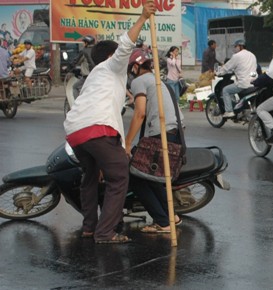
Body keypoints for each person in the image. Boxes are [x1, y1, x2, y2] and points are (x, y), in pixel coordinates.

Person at [63, 2, 157, 244]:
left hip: (75, 132)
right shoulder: (111, 65)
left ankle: (89, 227)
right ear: (110, 56)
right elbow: (126, 43)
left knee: (90, 177)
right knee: (119, 177)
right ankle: (105, 233)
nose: (124, 58)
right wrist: (143, 17)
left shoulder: (97, 75)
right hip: (96, 129)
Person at [125, 50, 183, 233]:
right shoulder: (157, 79)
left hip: (160, 132)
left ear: (135, 67)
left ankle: (162, 222)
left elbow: (140, 112)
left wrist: (127, 143)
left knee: (136, 175)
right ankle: (171, 216)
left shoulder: (138, 81)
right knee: (153, 177)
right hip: (174, 130)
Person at [217, 39, 257, 118]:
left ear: (240, 46)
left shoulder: (237, 56)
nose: (235, 48)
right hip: (253, 82)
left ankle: (229, 111)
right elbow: (250, 68)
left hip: (243, 83)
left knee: (226, 90)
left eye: (236, 46)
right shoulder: (252, 55)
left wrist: (218, 73)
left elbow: (227, 67)